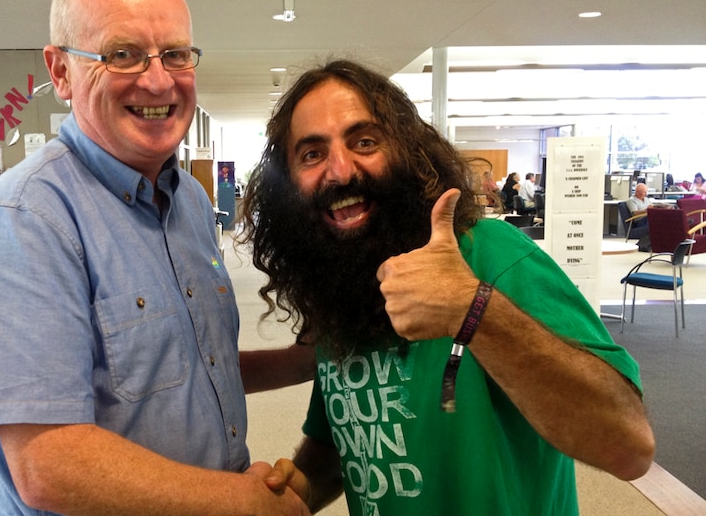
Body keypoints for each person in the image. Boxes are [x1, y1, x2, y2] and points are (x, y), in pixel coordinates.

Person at [0, 0, 313, 516]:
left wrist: (303, 361)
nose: (157, 79)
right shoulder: (28, 219)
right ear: (60, 71)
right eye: (121, 55)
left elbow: (191, 367)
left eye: (175, 53)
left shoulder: (189, 201)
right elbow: (48, 464)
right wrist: (233, 500)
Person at [238, 59, 655, 515]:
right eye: (312, 153)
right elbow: (353, 445)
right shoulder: (342, 287)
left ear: (408, 153)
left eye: (364, 142)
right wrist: (300, 489)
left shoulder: (491, 254)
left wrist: (472, 310)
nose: (339, 171)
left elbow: (629, 446)